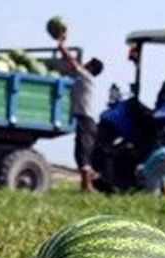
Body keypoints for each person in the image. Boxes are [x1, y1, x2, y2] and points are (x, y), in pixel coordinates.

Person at [56, 35, 103, 193]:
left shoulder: (86, 77)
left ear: (90, 68)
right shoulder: (84, 79)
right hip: (85, 120)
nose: (85, 64)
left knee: (83, 152)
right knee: (80, 152)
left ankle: (88, 187)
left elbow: (72, 62)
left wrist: (62, 46)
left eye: (87, 63)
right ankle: (86, 186)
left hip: (86, 121)